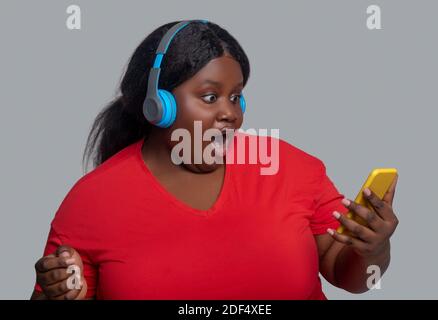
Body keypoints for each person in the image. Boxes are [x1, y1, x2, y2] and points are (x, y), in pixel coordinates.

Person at [31, 20, 399, 300]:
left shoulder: (291, 167)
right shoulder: (93, 200)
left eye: (236, 97)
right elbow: (60, 289)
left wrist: (373, 246)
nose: (231, 114)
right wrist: (55, 293)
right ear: (158, 106)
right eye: (210, 97)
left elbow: (348, 277)